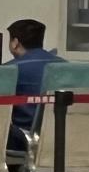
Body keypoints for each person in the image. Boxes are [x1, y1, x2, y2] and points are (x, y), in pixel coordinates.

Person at [8, 18, 63, 152]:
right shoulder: (65, 66)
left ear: (15, 43)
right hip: (59, 139)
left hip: (23, 142)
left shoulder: (9, 70)